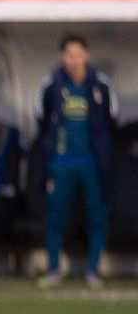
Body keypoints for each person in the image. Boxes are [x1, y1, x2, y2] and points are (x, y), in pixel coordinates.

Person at [35, 34, 118, 288]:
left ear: (86, 55)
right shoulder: (51, 84)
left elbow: (111, 119)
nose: (74, 60)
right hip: (61, 162)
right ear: (63, 56)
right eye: (69, 54)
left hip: (92, 162)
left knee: (96, 216)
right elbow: (41, 116)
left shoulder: (100, 85)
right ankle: (52, 269)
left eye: (78, 54)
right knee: (55, 216)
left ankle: (92, 270)